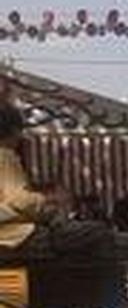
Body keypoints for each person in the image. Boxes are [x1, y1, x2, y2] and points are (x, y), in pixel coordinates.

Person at [0, 102, 114, 259]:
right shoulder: (4, 156)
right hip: (12, 237)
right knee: (98, 231)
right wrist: (50, 199)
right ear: (14, 131)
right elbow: (19, 201)